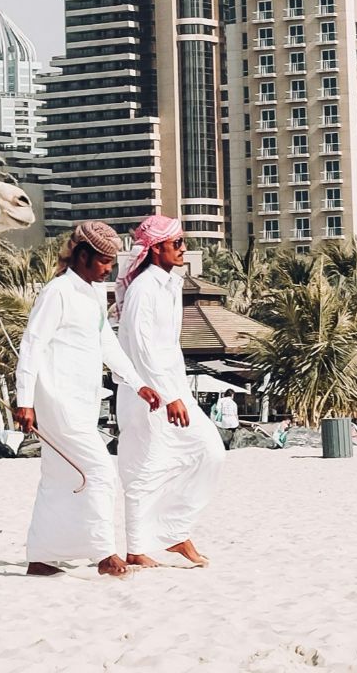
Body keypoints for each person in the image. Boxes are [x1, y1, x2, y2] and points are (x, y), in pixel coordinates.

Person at [13, 220, 162, 578]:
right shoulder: (57, 292)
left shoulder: (93, 295)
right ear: (82, 256)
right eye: (103, 261)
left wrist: (138, 383)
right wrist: (24, 400)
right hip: (57, 400)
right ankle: (105, 554)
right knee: (98, 471)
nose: (109, 269)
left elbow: (106, 344)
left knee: (57, 477)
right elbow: (31, 344)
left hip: (82, 399)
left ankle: (41, 557)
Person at [116, 216, 224, 569]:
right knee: (144, 467)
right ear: (156, 248)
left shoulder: (169, 284)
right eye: (177, 243)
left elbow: (165, 348)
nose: (183, 249)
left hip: (174, 388)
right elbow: (142, 349)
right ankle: (136, 547)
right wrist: (167, 395)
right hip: (147, 393)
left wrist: (176, 392)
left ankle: (174, 531)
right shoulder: (143, 288)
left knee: (209, 452)